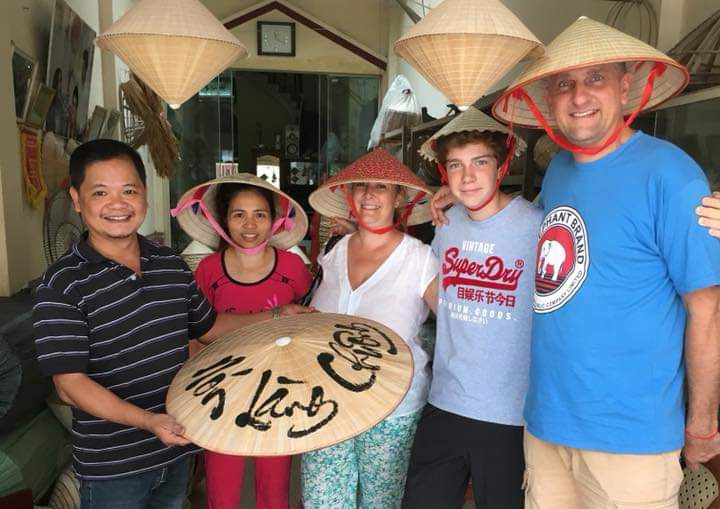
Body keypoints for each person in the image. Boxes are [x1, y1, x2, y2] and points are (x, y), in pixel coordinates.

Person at [488, 16, 720, 508]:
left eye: (596, 78)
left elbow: (708, 310)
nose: (579, 96)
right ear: (549, 99)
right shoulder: (558, 174)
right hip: (548, 422)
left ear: (625, 85)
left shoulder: (671, 175)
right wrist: (459, 201)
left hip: (629, 437)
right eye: (565, 83)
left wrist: (701, 421)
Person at [32, 140, 311, 509]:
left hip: (175, 452)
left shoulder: (170, 265)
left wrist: (278, 315)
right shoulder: (62, 283)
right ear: (77, 199)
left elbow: (209, 328)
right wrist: (148, 421)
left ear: (145, 196)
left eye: (128, 190)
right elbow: (69, 386)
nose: (118, 204)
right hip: (115, 468)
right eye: (101, 192)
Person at [401, 107, 542, 509]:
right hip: (444, 402)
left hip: (510, 416)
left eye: (480, 162)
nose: (467, 177)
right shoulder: (447, 225)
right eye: (456, 166)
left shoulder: (538, 225)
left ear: (502, 166)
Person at [301, 148, 439, 509]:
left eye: (381, 187)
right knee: (322, 502)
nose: (368, 195)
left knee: (384, 503)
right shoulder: (334, 252)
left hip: (393, 410)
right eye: (360, 185)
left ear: (399, 199)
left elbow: (458, 327)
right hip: (327, 406)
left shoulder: (420, 259)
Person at [173, 174, 313, 509]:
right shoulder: (207, 271)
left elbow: (309, 327)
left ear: (275, 220)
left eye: (259, 215)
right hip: (222, 396)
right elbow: (196, 335)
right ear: (223, 220)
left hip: (280, 395)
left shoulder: (294, 268)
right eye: (238, 214)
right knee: (222, 492)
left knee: (274, 490)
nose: (249, 225)